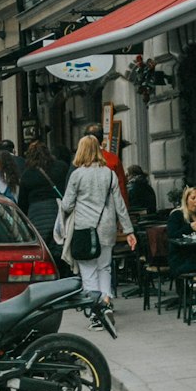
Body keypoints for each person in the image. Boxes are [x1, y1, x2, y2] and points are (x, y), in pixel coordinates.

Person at [59, 134, 135, 320]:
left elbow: (67, 205)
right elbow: (119, 205)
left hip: (84, 228)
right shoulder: (109, 173)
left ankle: (95, 311)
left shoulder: (77, 175)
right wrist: (129, 230)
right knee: (105, 267)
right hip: (106, 227)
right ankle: (106, 300)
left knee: (88, 270)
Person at [19, 141, 66, 261]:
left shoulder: (27, 174)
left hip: (36, 214)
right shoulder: (61, 167)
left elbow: (22, 203)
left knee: (42, 248)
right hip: (56, 210)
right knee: (59, 244)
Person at [83, 123, 128, 207]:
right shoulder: (113, 159)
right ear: (102, 139)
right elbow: (122, 189)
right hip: (110, 209)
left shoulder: (79, 161)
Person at [166, 185, 196, 280]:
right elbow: (172, 235)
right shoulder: (177, 215)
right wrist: (190, 227)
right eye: (193, 198)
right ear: (186, 199)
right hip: (181, 258)